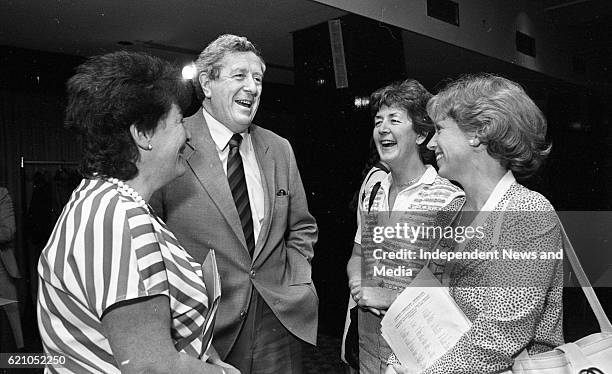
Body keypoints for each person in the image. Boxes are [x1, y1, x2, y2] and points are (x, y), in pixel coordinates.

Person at [37, 51, 238, 374]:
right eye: (177, 123)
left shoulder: (104, 200)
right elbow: (152, 368)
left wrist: (197, 347)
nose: (187, 135)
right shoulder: (120, 220)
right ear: (143, 134)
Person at [150, 34, 318, 374]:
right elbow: (152, 239)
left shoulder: (279, 148)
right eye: (239, 76)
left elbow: (302, 226)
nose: (253, 88)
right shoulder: (173, 140)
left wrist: (296, 279)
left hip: (278, 318)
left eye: (258, 79)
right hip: (204, 329)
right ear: (207, 83)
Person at [389, 74, 564, 373]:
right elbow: (425, 299)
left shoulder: (529, 213)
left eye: (440, 130)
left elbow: (504, 332)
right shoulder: (452, 211)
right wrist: (398, 360)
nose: (431, 143)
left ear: (479, 133)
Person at [346, 79, 463, 373]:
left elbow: (455, 294)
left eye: (394, 120)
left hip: (417, 354)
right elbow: (360, 254)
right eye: (378, 121)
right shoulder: (374, 190)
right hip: (369, 344)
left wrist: (389, 298)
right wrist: (359, 284)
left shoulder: (449, 200)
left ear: (422, 133)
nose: (382, 129)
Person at [0, 186, 24, 350]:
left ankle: (14, 361)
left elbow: (8, 232)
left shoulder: (1, 194)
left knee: (9, 320)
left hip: (1, 268)